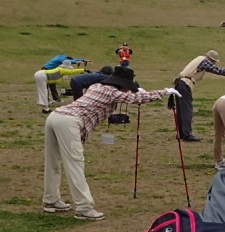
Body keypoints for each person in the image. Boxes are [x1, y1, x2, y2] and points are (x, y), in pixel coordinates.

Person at [44, 76, 175, 220]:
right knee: (75, 164)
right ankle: (84, 208)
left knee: (53, 162)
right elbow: (136, 99)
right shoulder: (113, 93)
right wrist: (164, 92)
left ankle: (51, 200)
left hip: (55, 116)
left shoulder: (96, 86)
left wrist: (135, 91)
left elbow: (127, 95)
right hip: (69, 123)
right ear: (122, 86)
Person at [172, 50, 225, 142]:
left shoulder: (199, 59)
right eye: (214, 61)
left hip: (180, 83)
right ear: (211, 59)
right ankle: (186, 134)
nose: (214, 63)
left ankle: (181, 133)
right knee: (186, 110)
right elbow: (217, 70)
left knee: (181, 110)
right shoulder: (204, 62)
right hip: (185, 84)